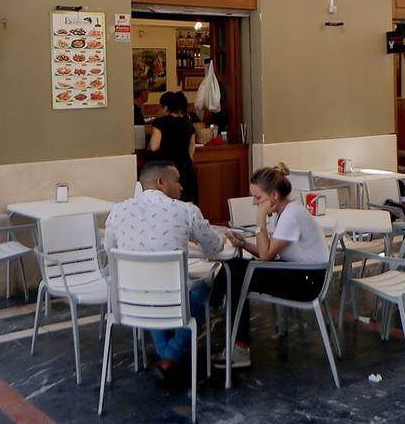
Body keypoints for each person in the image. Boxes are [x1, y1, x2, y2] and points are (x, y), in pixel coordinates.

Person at [101, 161, 225, 385]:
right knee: (204, 287)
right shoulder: (186, 210)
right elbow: (215, 247)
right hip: (173, 301)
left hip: (130, 302)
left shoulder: (118, 211)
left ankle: (165, 354)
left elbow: (110, 250)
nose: (182, 187)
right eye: (177, 180)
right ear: (161, 182)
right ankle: (170, 355)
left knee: (149, 290)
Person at [219, 164, 330, 369]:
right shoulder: (282, 212)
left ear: (275, 195)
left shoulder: (290, 216)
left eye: (258, 198)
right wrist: (244, 244)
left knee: (235, 272)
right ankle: (219, 312)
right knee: (235, 268)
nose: (255, 203)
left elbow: (266, 256)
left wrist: (259, 217)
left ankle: (236, 342)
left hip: (308, 282)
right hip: (299, 272)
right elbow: (268, 251)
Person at [148, 91, 200, 204]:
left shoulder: (160, 123)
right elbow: (191, 150)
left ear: (166, 107)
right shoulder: (188, 124)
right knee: (186, 204)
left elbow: (154, 146)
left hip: (167, 170)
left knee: (167, 205)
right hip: (186, 169)